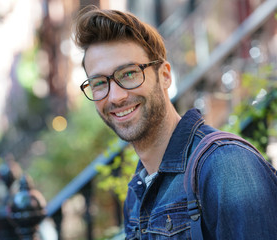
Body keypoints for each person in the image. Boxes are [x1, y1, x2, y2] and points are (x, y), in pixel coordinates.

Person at [73, 5, 277, 240]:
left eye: (128, 73)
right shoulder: (137, 195)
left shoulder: (225, 165)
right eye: (99, 83)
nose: (116, 96)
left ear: (165, 76)